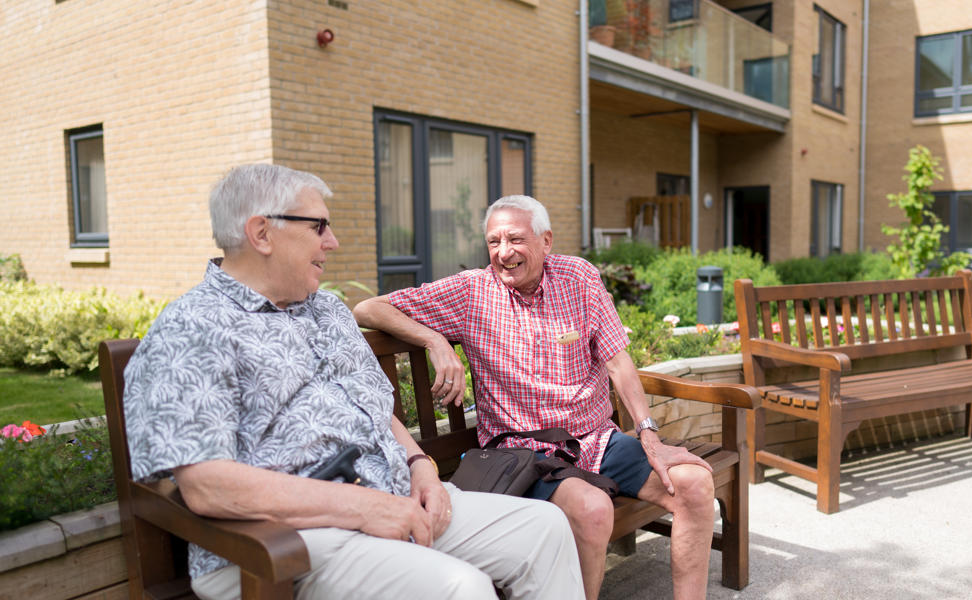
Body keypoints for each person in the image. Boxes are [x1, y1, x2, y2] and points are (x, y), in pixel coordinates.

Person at [122, 165, 583, 600]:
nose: (334, 242)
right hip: (283, 541)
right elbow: (208, 486)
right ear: (261, 233)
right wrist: (363, 509)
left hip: (391, 498)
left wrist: (421, 467)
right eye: (318, 227)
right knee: (458, 589)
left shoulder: (326, 310)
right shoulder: (192, 330)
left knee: (546, 529)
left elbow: (376, 410)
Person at [353, 195, 716, 600]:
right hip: (522, 449)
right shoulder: (470, 291)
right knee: (592, 510)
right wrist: (435, 340)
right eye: (493, 242)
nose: (503, 253)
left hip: (595, 438)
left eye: (515, 239)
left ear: (546, 241)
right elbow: (367, 309)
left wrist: (650, 436)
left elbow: (618, 362)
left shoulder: (579, 278)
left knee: (695, 485)